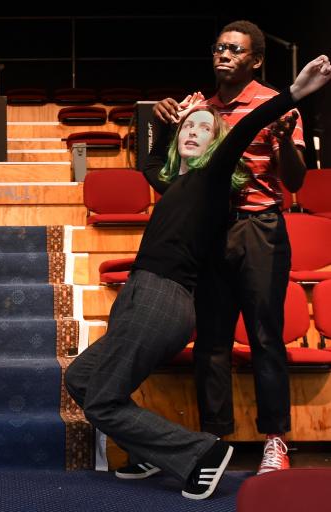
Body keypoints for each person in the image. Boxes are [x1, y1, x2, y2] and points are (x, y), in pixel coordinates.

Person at [64, 55, 330, 500]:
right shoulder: (175, 183)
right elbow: (152, 164)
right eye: (190, 126)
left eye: (204, 128)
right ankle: (151, 453)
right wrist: (168, 121)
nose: (193, 131)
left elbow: (244, 130)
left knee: (103, 399)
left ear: (216, 145)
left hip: (162, 300)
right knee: (81, 380)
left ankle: (199, 453)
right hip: (140, 295)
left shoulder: (212, 181)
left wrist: (294, 95)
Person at [152, 20, 307, 475]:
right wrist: (167, 124)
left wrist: (281, 140)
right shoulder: (197, 108)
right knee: (211, 341)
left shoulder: (276, 105)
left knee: (264, 337)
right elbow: (170, 173)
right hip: (210, 231)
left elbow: (295, 182)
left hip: (260, 228)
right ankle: (212, 441)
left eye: (235, 50)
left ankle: (275, 441)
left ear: (255, 59)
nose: (224, 55)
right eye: (219, 47)